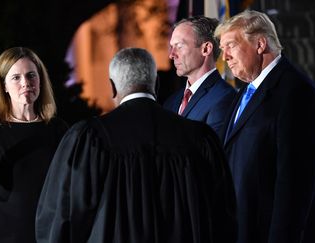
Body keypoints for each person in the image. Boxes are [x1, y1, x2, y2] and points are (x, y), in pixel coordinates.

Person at [36, 47, 237, 243]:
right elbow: (224, 218)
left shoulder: (90, 138)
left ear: (113, 87)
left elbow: (60, 219)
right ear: (156, 84)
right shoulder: (199, 137)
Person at [215, 10, 315, 243]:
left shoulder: (296, 93)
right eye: (222, 49)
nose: (225, 57)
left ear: (260, 44)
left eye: (230, 45)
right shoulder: (243, 93)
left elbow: (294, 184)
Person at [0, 47, 68, 243]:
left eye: (31, 75)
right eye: (16, 78)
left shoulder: (58, 129)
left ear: (40, 80)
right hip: (4, 236)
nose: (26, 83)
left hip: (50, 235)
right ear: (3, 85)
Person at [164, 15, 236, 139]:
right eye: (172, 47)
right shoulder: (171, 102)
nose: (172, 55)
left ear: (206, 49)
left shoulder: (224, 98)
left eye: (179, 46)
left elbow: (213, 154)